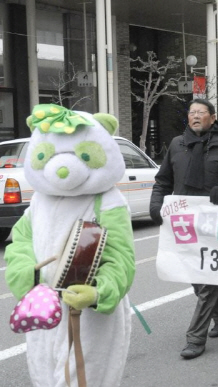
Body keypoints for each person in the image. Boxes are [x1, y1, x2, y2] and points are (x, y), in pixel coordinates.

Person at [5, 105, 136, 386]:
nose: (62, 167)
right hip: (44, 306)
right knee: (43, 374)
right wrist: (26, 277)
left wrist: (99, 292)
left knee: (84, 377)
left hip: (88, 314)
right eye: (49, 156)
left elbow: (121, 258)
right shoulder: (40, 200)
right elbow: (20, 243)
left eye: (83, 155)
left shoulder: (108, 202)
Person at [150, 99, 218, 359]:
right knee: (197, 278)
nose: (195, 116)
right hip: (185, 224)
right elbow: (163, 181)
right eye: (192, 112)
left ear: (212, 117)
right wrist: (156, 205)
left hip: (216, 225)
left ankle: (195, 338)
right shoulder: (177, 144)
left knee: (207, 282)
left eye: (201, 112)